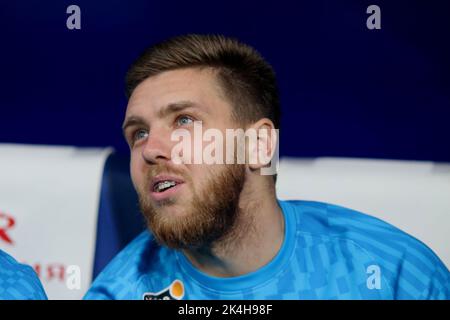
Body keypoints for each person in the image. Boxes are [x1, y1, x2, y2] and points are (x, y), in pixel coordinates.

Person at [85, 34, 449, 300]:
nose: (151, 149)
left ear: (258, 146)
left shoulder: (396, 276)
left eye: (183, 121)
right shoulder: (118, 293)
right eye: (139, 133)